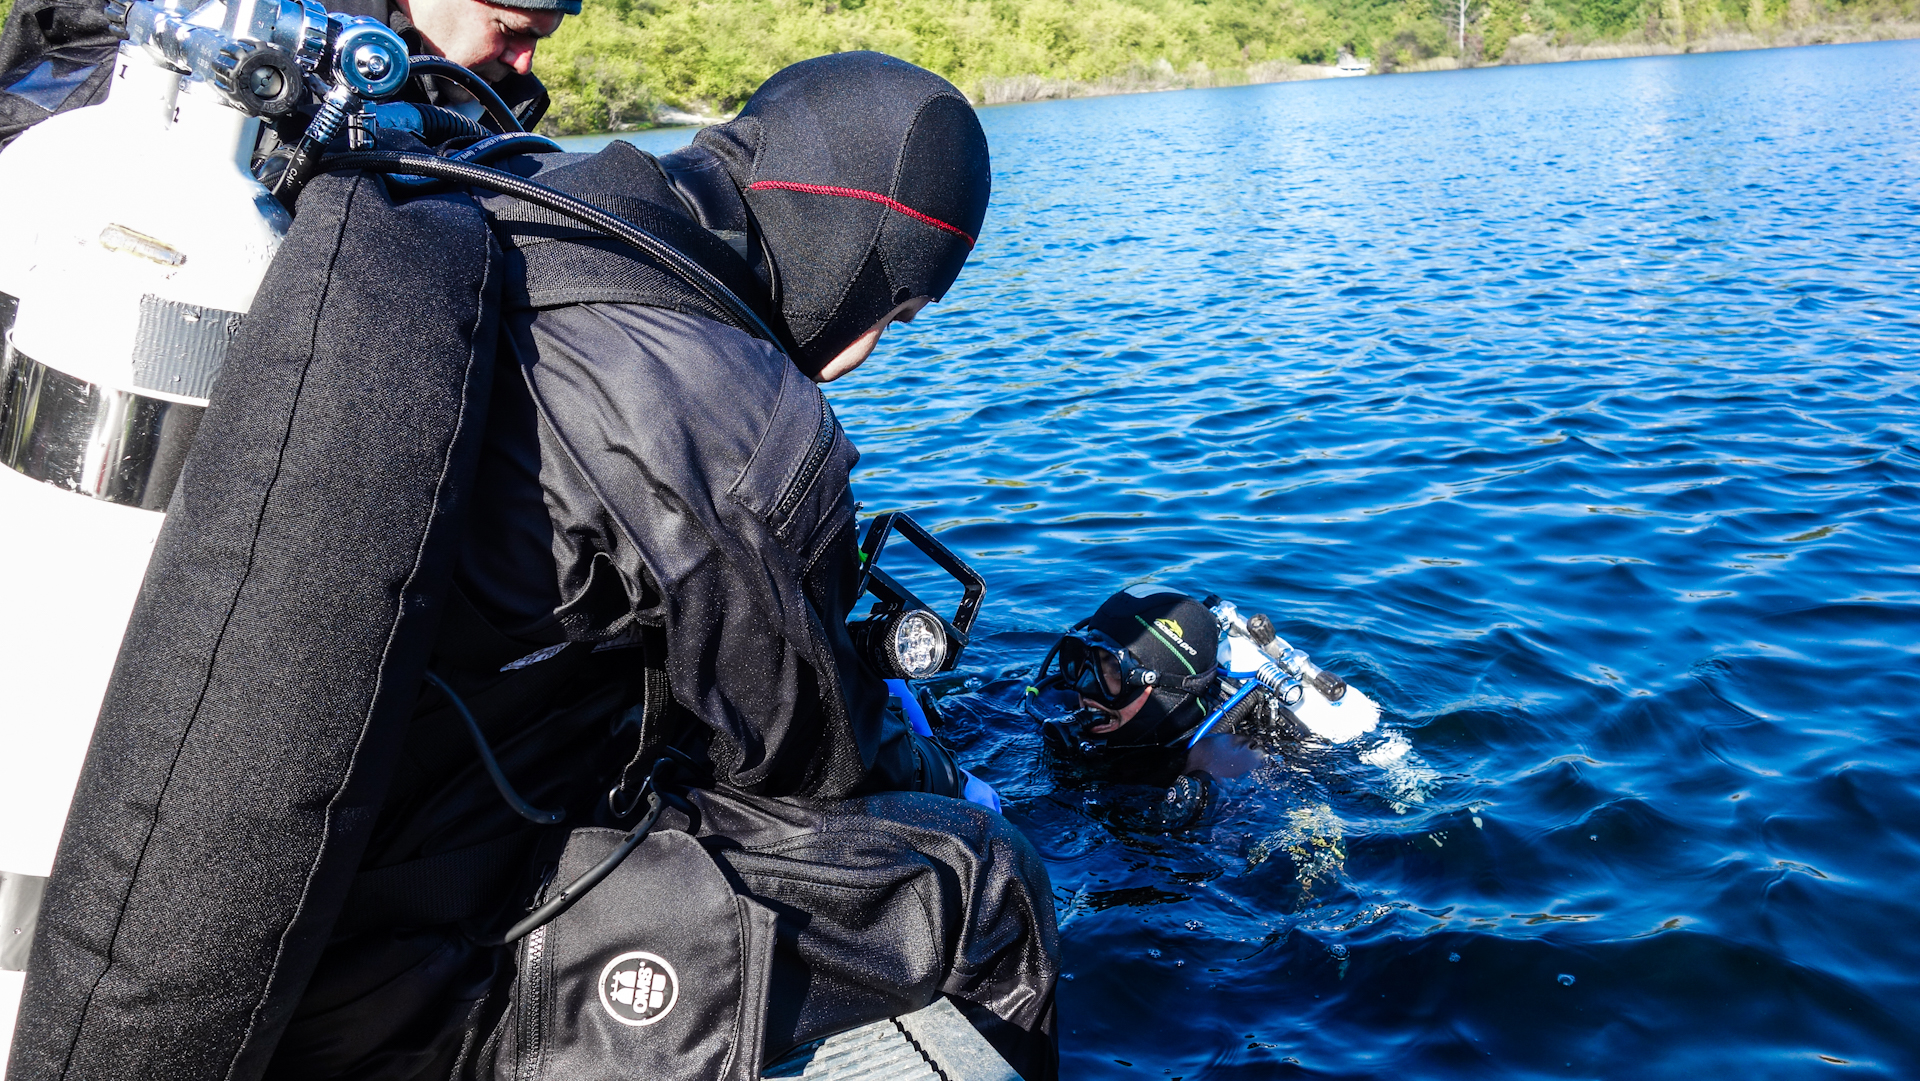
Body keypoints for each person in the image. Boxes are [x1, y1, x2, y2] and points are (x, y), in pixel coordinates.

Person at [9, 51, 1056, 1081]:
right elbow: (814, 771)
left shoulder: (519, 197)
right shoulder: (744, 423)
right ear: (858, 256)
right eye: (894, 307)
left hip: (222, 873)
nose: (863, 349)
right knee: (980, 882)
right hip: (397, 992)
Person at [0, 0, 567, 148]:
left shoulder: (499, 104)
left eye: (539, 40)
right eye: (510, 28)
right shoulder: (214, 17)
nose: (524, 62)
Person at [1024, 585, 1270, 830]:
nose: (1085, 687)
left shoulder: (1210, 768)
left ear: (1163, 692)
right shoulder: (1049, 700)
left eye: (1111, 671)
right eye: (1081, 661)